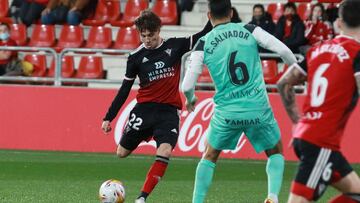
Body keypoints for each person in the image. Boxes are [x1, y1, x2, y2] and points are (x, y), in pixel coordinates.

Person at [181, 0, 297, 203]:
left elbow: (187, 85)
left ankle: (197, 202)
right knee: (275, 151)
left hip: (227, 113)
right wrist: (295, 72)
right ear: (231, 12)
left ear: (208, 15)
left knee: (209, 155)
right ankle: (272, 196)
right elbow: (284, 51)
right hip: (258, 108)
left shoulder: (204, 42)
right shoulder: (250, 29)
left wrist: (190, 99)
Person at [101, 9, 212, 203]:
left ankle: (142, 198)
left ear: (158, 31)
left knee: (165, 151)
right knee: (121, 153)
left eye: (150, 35)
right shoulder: (135, 57)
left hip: (168, 111)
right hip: (143, 109)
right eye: (143, 36)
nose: (146, 40)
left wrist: (213, 19)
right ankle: (145, 134)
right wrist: (109, 116)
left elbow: (201, 36)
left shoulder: (175, 46)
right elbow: (124, 90)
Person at [277, 0, 360, 202]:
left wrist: (299, 123)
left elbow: (283, 83)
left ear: (338, 23)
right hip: (321, 142)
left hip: (309, 136)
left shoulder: (316, 49)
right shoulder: (357, 53)